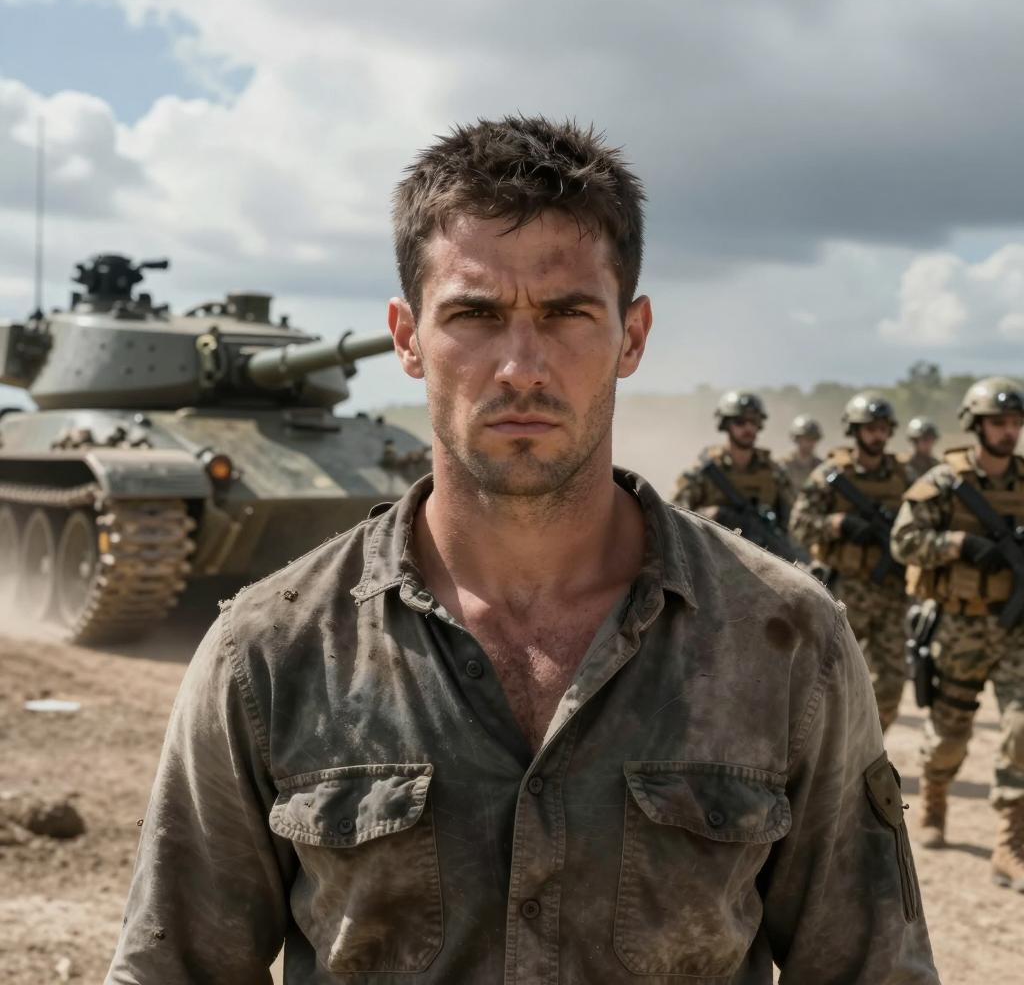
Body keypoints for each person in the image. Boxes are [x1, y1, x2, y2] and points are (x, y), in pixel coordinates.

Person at [106, 117, 937, 983]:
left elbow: (874, 969)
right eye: (475, 314)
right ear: (406, 337)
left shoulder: (782, 639)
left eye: (567, 312)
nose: (522, 367)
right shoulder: (269, 652)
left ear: (633, 335)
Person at [891, 377, 1024, 890]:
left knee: (1021, 728)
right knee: (949, 737)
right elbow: (904, 541)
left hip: (1016, 630)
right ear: (975, 425)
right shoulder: (946, 483)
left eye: (1015, 423)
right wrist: (959, 545)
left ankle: (1010, 841)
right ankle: (936, 796)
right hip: (960, 628)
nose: (1009, 431)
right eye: (999, 422)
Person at [790, 393, 910, 732]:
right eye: (870, 428)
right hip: (843, 591)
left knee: (891, 684)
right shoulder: (831, 474)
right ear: (854, 431)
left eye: (882, 429)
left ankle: (867, 744)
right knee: (830, 680)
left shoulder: (904, 475)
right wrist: (838, 524)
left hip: (890, 593)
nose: (877, 435)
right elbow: (799, 524)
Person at [672, 392, 795, 552]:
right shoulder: (705, 471)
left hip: (764, 556)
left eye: (754, 421)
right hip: (710, 555)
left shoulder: (774, 472)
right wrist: (709, 516)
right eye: (740, 422)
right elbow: (675, 515)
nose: (748, 428)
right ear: (726, 424)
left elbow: (793, 524)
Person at [782, 413, 823, 487]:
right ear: (797, 439)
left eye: (814, 438)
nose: (811, 443)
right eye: (807, 438)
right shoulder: (783, 465)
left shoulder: (821, 466)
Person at [902, 416, 940, 481]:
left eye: (931, 439)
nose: (929, 443)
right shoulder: (902, 466)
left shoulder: (937, 466)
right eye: (925, 439)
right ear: (915, 441)